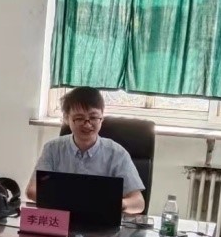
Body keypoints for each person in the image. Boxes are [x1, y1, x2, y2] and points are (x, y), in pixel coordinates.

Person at [25, 86, 145, 214]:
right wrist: (75, 201)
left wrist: (116, 204)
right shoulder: (52, 149)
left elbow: (138, 203)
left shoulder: (117, 154)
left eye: (93, 118)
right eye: (79, 118)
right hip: (62, 219)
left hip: (101, 220)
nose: (87, 124)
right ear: (66, 118)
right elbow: (32, 191)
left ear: (102, 118)